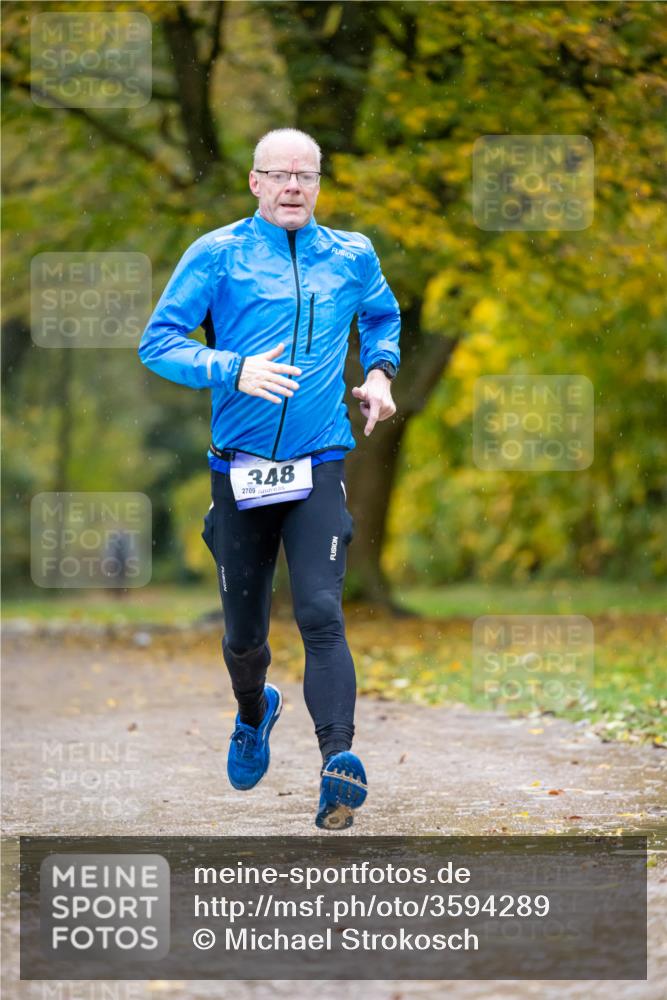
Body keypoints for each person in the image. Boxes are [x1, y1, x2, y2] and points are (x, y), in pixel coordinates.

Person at [139, 128, 400, 830]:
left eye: (305, 176)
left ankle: (335, 765)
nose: (293, 187)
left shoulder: (351, 255)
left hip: (319, 462)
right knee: (244, 639)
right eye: (278, 175)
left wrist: (378, 373)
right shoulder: (217, 254)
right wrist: (230, 367)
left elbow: (381, 316)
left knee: (320, 613)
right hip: (241, 473)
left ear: (319, 184)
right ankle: (254, 712)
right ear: (254, 182)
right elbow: (157, 343)